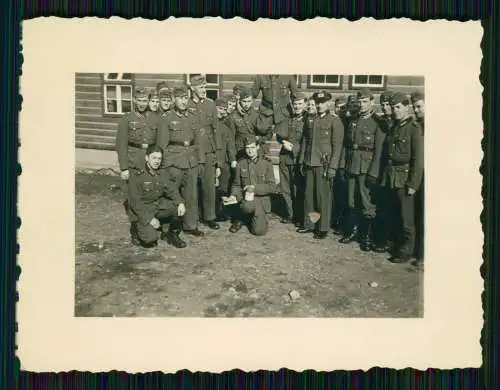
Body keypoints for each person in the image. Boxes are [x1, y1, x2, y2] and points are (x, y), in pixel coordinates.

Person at [372, 92, 424, 263]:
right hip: (391, 176)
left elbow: (418, 159)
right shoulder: (395, 127)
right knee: (394, 213)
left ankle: (407, 251)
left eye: (398, 107)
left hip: (405, 177)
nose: (395, 111)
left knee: (406, 218)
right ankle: (396, 244)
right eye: (393, 107)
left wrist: (413, 183)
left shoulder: (413, 128)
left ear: (406, 107)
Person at [338, 88, 385, 251]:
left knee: (367, 204)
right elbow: (348, 146)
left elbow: (379, 151)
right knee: (351, 201)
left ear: (372, 102)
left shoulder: (377, 122)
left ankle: (367, 236)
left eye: (365, 101)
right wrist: (343, 164)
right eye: (360, 102)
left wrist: (374, 172)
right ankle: (353, 231)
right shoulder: (354, 120)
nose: (362, 105)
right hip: (352, 165)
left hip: (367, 167)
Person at [156, 85, 205, 237]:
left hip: (190, 161)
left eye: (186, 98)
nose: (184, 102)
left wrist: (200, 161)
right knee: (172, 195)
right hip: (174, 161)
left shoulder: (192, 116)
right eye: (180, 98)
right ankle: (171, 227)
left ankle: (190, 225)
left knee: (191, 195)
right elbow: (162, 144)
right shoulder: (166, 118)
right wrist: (164, 166)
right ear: (174, 100)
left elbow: (199, 141)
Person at [298, 90, 344, 239]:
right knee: (309, 196)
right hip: (310, 162)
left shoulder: (334, 121)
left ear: (328, 103)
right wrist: (302, 160)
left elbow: (337, 147)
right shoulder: (311, 119)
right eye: (317, 103)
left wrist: (332, 167)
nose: (319, 105)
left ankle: (323, 227)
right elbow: (306, 141)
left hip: (324, 164)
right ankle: (311, 223)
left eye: (323, 102)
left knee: (322, 196)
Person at [128, 145, 187, 249]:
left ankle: (171, 234)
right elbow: (135, 203)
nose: (157, 161)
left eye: (159, 158)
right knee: (150, 240)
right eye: (154, 158)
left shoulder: (162, 172)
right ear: (147, 158)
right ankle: (135, 230)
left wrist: (180, 203)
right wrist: (150, 219)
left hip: (157, 205)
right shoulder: (137, 175)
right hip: (143, 209)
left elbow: (171, 190)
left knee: (176, 207)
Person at [227, 137, 279, 236]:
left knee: (259, 231)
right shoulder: (241, 164)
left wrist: (254, 188)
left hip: (261, 200)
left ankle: (255, 218)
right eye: (247, 148)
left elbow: (272, 186)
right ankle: (241, 218)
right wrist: (233, 195)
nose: (250, 150)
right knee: (246, 207)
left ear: (258, 147)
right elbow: (236, 184)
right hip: (246, 199)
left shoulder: (266, 163)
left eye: (252, 147)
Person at [187, 74, 220, 230]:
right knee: (192, 187)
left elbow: (216, 130)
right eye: (200, 87)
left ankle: (210, 216)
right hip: (193, 150)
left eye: (205, 87)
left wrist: (217, 154)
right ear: (192, 88)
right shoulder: (185, 105)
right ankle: (194, 217)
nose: (204, 90)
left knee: (209, 186)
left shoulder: (210, 104)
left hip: (208, 150)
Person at [276, 91, 307, 225]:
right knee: (285, 188)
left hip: (298, 159)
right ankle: (290, 214)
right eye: (295, 104)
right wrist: (283, 142)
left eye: (300, 104)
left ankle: (300, 216)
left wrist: (294, 148)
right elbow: (278, 134)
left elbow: (309, 142)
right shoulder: (287, 118)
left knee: (298, 189)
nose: (297, 106)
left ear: (305, 104)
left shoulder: (309, 120)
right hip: (284, 157)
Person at [115, 87, 158, 180]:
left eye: (144, 101)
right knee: (134, 192)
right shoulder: (127, 119)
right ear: (134, 100)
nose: (142, 104)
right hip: (133, 162)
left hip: (151, 161)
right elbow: (121, 145)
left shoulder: (155, 118)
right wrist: (124, 168)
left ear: (148, 101)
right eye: (139, 100)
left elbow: (159, 142)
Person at [251, 75, 298, 156]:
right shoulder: (261, 76)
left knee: (286, 137)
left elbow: (295, 95)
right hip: (266, 111)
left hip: (283, 112)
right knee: (261, 134)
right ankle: (260, 159)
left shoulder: (288, 75)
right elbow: (252, 94)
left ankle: (286, 163)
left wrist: (297, 111)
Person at [214, 97, 237, 221]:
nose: (221, 111)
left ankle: (219, 211)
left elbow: (231, 146)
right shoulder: (208, 124)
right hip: (210, 161)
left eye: (223, 109)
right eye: (219, 108)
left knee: (223, 187)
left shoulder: (226, 126)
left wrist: (233, 159)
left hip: (223, 161)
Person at [228, 86, 265, 159]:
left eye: (249, 101)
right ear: (240, 101)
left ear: (252, 101)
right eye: (244, 101)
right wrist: (232, 158)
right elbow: (231, 140)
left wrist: (258, 138)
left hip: (254, 152)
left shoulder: (256, 115)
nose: (246, 104)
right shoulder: (233, 116)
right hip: (239, 152)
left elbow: (266, 133)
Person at [411, 90, 425, 265]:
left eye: (419, 106)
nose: (416, 110)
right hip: (418, 172)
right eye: (414, 106)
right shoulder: (417, 126)